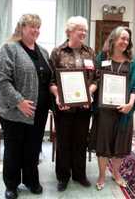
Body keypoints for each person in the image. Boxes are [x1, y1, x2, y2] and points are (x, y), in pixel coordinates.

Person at [0, 14, 52, 199]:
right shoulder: (9, 48)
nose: (35, 30)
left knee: (33, 147)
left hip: (38, 111)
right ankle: (11, 185)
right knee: (14, 148)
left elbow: (47, 79)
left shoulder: (43, 51)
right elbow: (2, 81)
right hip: (14, 111)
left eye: (38, 27)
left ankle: (31, 180)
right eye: (31, 27)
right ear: (21, 28)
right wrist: (19, 101)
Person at [90, 26, 135, 190]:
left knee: (121, 145)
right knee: (103, 145)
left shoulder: (132, 62)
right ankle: (101, 175)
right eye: (122, 38)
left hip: (124, 111)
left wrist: (130, 104)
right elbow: (94, 80)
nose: (125, 42)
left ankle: (117, 173)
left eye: (127, 39)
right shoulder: (102, 57)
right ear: (113, 39)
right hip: (104, 111)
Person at [50, 16, 97, 192]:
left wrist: (89, 93)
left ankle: (79, 174)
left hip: (84, 107)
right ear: (70, 31)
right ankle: (63, 176)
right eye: (80, 29)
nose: (84, 32)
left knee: (80, 141)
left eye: (85, 30)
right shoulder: (57, 52)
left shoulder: (90, 52)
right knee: (64, 142)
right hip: (64, 107)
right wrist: (57, 96)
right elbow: (51, 80)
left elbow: (96, 79)